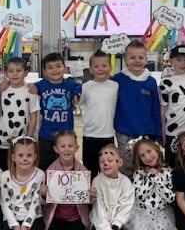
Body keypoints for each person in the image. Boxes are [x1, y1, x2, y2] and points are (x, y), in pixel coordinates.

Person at [124, 136, 185, 230]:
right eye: (142, 155)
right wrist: (150, 177)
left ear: (157, 149)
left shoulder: (168, 171)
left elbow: (170, 198)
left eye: (149, 151)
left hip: (160, 213)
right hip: (142, 213)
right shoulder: (139, 172)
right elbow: (140, 196)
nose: (147, 157)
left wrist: (158, 179)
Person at [112, 40, 162, 177]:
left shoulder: (151, 82)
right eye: (132, 57)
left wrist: (158, 134)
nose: (136, 61)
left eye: (140, 57)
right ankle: (127, 196)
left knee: (147, 165)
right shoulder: (118, 80)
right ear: (125, 59)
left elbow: (155, 109)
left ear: (146, 60)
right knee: (126, 166)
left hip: (146, 133)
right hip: (124, 132)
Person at [41, 130, 93, 230]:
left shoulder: (82, 171)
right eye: (62, 146)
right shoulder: (51, 171)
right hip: (57, 216)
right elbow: (45, 201)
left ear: (76, 147)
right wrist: (44, 193)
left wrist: (91, 194)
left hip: (76, 217)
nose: (67, 149)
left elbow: (88, 199)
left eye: (70, 146)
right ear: (56, 149)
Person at [0, 136, 45, 230]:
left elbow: (35, 203)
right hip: (12, 217)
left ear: (34, 157)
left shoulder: (40, 175)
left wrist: (25, 225)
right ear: (13, 157)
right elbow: (5, 203)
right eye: (20, 155)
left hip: (32, 218)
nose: (24, 159)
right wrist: (14, 225)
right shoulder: (5, 176)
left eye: (29, 155)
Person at [35, 52, 82, 171]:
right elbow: (25, 86)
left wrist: (77, 93)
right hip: (46, 135)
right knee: (44, 166)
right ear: (44, 71)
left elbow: (79, 87)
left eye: (58, 66)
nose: (55, 70)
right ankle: (45, 188)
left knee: (67, 165)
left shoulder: (71, 85)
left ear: (65, 68)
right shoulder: (40, 85)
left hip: (66, 136)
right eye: (50, 67)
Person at [78, 50, 118, 179]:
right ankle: (91, 196)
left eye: (104, 66)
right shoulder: (86, 87)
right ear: (90, 69)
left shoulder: (115, 86)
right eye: (96, 66)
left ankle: (105, 196)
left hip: (108, 135)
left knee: (108, 169)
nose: (100, 69)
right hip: (89, 135)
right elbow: (76, 102)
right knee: (90, 169)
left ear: (110, 68)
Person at [0, 56, 39, 168]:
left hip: (22, 139)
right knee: (3, 169)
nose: (15, 74)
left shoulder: (30, 92)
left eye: (18, 71)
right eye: (11, 71)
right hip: (3, 139)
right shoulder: (3, 90)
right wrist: (7, 82)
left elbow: (33, 118)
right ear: (6, 74)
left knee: (20, 168)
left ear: (26, 73)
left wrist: (28, 139)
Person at [90, 144, 135, 230]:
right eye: (102, 162)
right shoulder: (97, 181)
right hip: (101, 222)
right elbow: (99, 209)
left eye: (110, 160)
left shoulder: (126, 182)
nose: (105, 163)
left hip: (119, 224)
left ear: (119, 162)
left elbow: (126, 206)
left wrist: (115, 227)